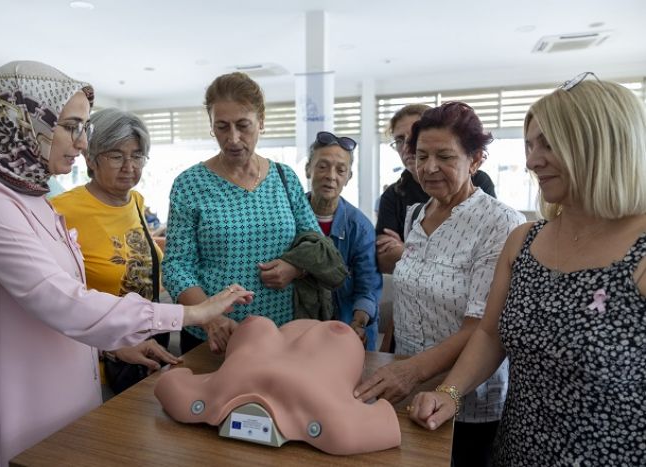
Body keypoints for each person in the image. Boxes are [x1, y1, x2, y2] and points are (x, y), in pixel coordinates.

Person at [0, 61, 253, 467]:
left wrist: (115, 344)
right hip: (10, 406)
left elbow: (56, 303)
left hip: (59, 396)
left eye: (84, 129)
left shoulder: (30, 197)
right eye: (71, 127)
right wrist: (193, 313)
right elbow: (61, 300)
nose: (80, 144)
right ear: (21, 121)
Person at [409, 76, 646, 466]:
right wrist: (450, 393)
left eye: (549, 145)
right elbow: (490, 334)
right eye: (531, 146)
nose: (532, 161)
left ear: (604, 144)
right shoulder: (524, 240)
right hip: (516, 451)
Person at [354, 102, 525, 467]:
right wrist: (393, 359)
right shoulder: (415, 215)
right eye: (421, 156)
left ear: (475, 160)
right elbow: (410, 296)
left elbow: (482, 325)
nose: (429, 167)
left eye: (445, 157)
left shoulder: (499, 222)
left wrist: (413, 371)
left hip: (467, 400)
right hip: (407, 390)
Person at [162, 72, 321, 355]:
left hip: (281, 333)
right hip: (213, 338)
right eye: (222, 127)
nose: (233, 138)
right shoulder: (190, 185)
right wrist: (209, 317)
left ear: (261, 122)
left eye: (243, 125)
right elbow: (176, 265)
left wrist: (295, 268)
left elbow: (316, 243)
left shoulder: (284, 177)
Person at [52, 108, 172, 395]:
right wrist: (110, 348)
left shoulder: (136, 201)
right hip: (97, 368)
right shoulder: (61, 210)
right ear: (90, 158)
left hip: (147, 355)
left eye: (137, 155)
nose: (129, 166)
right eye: (116, 156)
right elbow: (53, 299)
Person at [155, 316, 401, 455]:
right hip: (255, 376)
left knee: (254, 326)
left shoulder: (333, 423)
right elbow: (383, 426)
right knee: (340, 432)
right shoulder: (336, 426)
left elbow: (169, 385)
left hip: (242, 376)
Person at [376, 103, 496, 273]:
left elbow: (483, 258)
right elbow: (384, 259)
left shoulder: (479, 184)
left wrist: (408, 250)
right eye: (399, 140)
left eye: (444, 156)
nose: (407, 146)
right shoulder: (395, 197)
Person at [304, 131, 382, 350]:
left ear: (349, 177)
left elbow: (367, 288)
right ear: (308, 169)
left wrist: (358, 324)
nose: (331, 176)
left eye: (340, 170)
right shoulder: (289, 217)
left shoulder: (360, 228)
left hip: (345, 329)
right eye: (322, 166)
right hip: (300, 330)